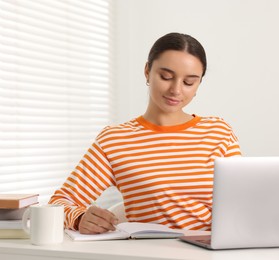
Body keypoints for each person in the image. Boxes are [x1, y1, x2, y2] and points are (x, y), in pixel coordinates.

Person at [49, 32, 241, 234]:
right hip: (146, 252)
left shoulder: (219, 133)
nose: (176, 90)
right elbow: (60, 202)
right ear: (147, 71)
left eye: (188, 82)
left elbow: (244, 201)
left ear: (199, 84)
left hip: (210, 251)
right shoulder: (114, 140)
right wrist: (79, 219)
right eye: (166, 77)